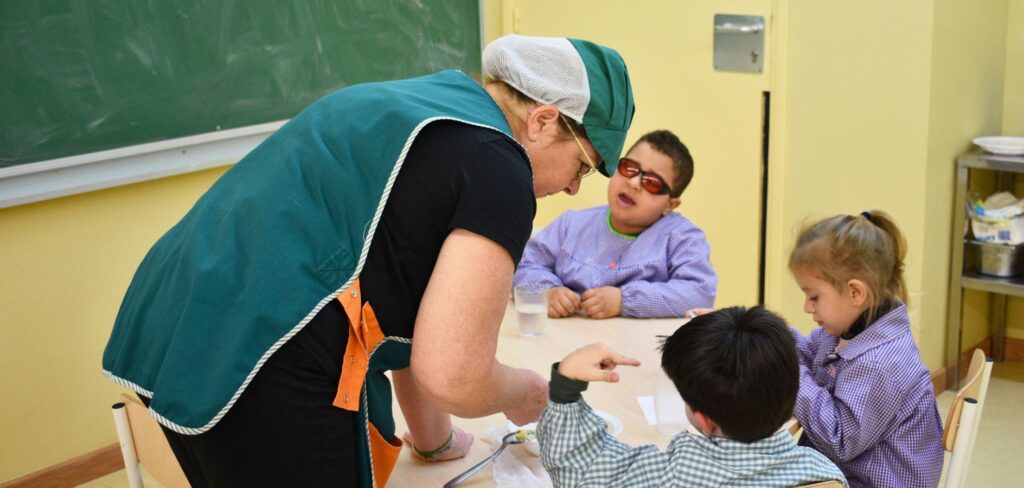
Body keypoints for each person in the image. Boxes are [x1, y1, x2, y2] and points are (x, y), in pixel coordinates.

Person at [101, 34, 634, 487]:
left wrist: (434, 440)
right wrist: (529, 392)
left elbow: (409, 301)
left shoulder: (418, 101)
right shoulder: (498, 168)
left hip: (173, 323)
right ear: (542, 121)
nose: (570, 188)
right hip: (259, 359)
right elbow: (454, 371)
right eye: (583, 167)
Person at [538, 307, 847, 487]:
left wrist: (566, 385)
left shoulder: (669, 475)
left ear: (705, 421)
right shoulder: (823, 474)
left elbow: (576, 468)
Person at [788, 210, 943, 487]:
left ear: (855, 293)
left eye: (814, 296)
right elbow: (808, 354)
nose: (807, 307)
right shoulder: (848, 329)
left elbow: (839, 439)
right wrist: (764, 332)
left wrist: (792, 376)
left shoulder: (879, 364)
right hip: (850, 471)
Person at [513, 130, 716, 319]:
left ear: (670, 205)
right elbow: (524, 265)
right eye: (629, 168)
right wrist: (548, 291)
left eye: (652, 182)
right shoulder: (572, 224)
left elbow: (700, 293)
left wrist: (624, 300)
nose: (633, 183)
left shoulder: (682, 238)